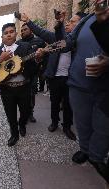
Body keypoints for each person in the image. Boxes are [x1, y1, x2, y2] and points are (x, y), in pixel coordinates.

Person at [60, 1, 109, 184]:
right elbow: (68, 42)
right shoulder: (86, 19)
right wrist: (59, 27)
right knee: (82, 122)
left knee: (103, 126)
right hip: (79, 84)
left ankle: (97, 156)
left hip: (104, 87)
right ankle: (85, 150)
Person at [19, 11, 88, 141]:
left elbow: (65, 43)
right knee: (54, 102)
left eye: (72, 21)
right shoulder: (54, 37)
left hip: (70, 78)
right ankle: (54, 122)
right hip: (55, 77)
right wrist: (28, 21)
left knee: (68, 104)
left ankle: (67, 126)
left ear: (80, 25)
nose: (68, 23)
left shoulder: (79, 40)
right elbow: (41, 32)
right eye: (67, 21)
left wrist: (60, 24)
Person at [0, 23, 36, 146]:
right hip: (7, 89)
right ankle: (14, 134)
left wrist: (37, 59)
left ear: (16, 34)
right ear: (2, 36)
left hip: (23, 87)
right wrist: (0, 59)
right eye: (6, 33)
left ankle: (22, 124)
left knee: (26, 111)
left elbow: (33, 68)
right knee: (10, 114)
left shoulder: (25, 46)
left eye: (11, 32)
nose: (9, 34)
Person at [17, 23, 47, 123]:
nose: (23, 32)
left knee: (31, 94)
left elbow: (45, 55)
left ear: (31, 30)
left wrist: (41, 61)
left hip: (33, 72)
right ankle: (23, 113)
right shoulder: (18, 43)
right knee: (22, 95)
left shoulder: (39, 41)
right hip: (20, 74)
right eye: (21, 30)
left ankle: (30, 113)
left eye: (25, 29)